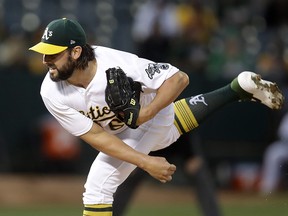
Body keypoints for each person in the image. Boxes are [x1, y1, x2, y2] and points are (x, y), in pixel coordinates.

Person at [29, 18, 284, 216]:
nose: (45, 60)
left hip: (153, 116)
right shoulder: (51, 92)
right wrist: (144, 161)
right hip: (124, 129)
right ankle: (236, 89)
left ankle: (234, 90)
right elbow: (96, 136)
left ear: (75, 53)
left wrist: (145, 115)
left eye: (53, 53)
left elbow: (179, 78)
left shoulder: (117, 64)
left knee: (98, 186)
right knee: (167, 135)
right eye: (44, 52)